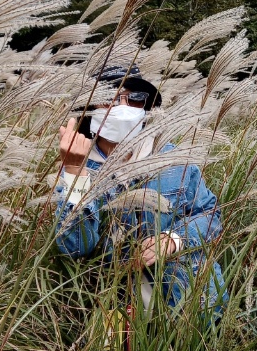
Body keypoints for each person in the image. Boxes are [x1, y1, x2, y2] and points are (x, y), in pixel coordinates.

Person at [55, 67, 226, 323]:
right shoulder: (79, 166)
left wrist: (173, 239)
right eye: (111, 99)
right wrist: (74, 171)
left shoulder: (174, 160)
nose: (124, 108)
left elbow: (211, 214)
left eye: (134, 99)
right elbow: (75, 247)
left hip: (189, 311)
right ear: (90, 108)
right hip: (116, 315)